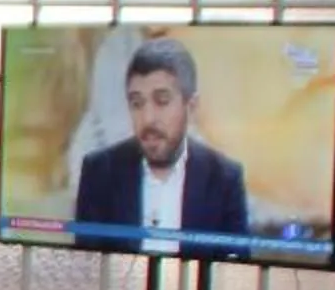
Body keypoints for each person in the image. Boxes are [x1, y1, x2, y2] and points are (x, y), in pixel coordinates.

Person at [71, 36, 248, 240]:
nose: (148, 118)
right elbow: (88, 256)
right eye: (137, 103)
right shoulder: (98, 173)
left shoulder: (224, 179)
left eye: (162, 101)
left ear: (191, 107)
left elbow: (234, 258)